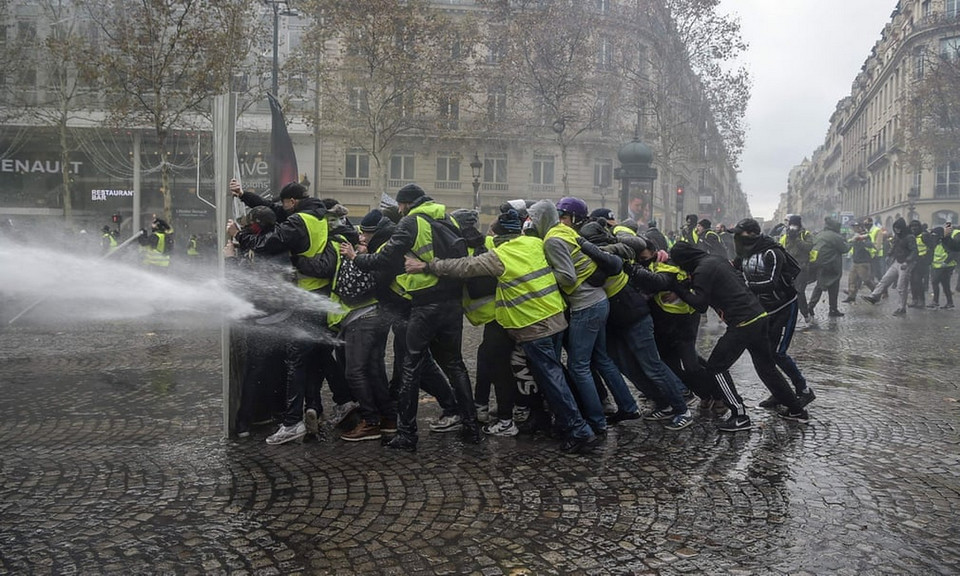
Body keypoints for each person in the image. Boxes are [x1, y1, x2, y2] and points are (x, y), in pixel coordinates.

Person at [405, 209, 601, 453]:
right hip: (555, 317)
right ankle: (566, 423)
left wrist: (426, 265)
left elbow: (463, 267)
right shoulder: (533, 243)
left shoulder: (501, 255)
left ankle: (578, 429)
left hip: (533, 325)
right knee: (551, 375)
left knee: (552, 379)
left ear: (497, 235)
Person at [347, 183, 479, 450]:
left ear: (406, 203)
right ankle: (471, 426)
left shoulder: (411, 222)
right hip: (452, 304)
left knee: (410, 367)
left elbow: (384, 258)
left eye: (400, 204)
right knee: (455, 365)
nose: (398, 209)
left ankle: (407, 433)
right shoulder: (448, 217)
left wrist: (355, 258)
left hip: (425, 304)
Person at [669, 241, 810, 431]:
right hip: (759, 316)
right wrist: (688, 284)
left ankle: (739, 414)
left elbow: (700, 304)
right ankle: (796, 411)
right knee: (766, 368)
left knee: (716, 367)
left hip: (743, 322)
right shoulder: (715, 260)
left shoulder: (702, 270)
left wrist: (678, 288)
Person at [529, 197, 638, 437]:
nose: (532, 223)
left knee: (578, 367)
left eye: (534, 219)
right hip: (599, 299)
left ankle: (596, 421)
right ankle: (628, 406)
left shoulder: (552, 240)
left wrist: (542, 277)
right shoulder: (563, 230)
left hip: (585, 305)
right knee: (601, 359)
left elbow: (567, 277)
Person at [729, 218, 816, 411]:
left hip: (785, 307)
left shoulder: (773, 252)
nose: (736, 238)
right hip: (765, 309)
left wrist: (744, 286)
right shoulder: (744, 253)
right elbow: (733, 268)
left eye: (740, 234)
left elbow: (772, 282)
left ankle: (804, 390)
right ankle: (780, 392)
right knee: (767, 353)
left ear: (752, 234)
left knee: (778, 352)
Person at [860, 217, 917, 316]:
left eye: (898, 228)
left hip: (905, 263)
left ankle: (901, 308)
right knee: (885, 279)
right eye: (895, 228)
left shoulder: (909, 237)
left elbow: (914, 251)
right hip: (897, 261)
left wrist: (907, 261)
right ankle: (874, 296)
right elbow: (894, 246)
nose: (896, 230)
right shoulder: (898, 236)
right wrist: (889, 254)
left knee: (901, 286)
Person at [807, 217, 849, 319]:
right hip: (832, 265)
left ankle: (811, 306)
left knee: (819, 286)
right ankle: (833, 309)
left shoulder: (820, 234)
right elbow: (844, 249)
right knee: (833, 287)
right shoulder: (835, 236)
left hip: (821, 265)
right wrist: (850, 242)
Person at [779, 215, 816, 324]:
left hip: (802, 268)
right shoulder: (786, 235)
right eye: (791, 224)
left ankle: (805, 314)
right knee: (787, 292)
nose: (793, 227)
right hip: (788, 268)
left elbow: (809, 247)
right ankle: (787, 316)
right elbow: (781, 247)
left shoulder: (805, 234)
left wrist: (797, 239)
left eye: (795, 224)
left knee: (799, 291)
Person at [842, 220, 877, 302]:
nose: (854, 229)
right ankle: (851, 296)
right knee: (852, 279)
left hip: (863, 262)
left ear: (860, 228)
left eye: (856, 227)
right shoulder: (855, 236)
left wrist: (861, 240)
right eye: (853, 227)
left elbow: (870, 245)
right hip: (855, 261)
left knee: (866, 280)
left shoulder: (865, 236)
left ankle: (876, 293)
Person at [928, 224, 960, 309]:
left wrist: (945, 262)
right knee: (945, 284)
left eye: (934, 235)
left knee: (935, 282)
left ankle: (935, 301)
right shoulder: (937, 242)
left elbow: (953, 252)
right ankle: (949, 302)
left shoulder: (946, 241)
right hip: (939, 266)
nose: (933, 236)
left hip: (945, 266)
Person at [909, 220, 935, 309]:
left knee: (918, 281)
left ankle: (921, 300)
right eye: (912, 226)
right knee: (912, 281)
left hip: (921, 262)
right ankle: (914, 299)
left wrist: (927, 259)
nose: (914, 228)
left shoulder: (924, 236)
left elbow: (932, 247)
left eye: (916, 226)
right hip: (912, 262)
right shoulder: (910, 237)